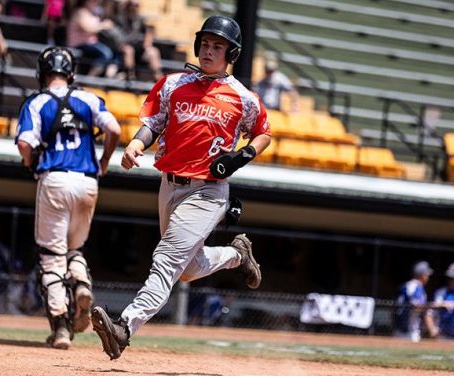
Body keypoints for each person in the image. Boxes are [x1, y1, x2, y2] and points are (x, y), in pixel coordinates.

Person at [91, 15, 271, 360]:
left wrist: (241, 156)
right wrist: (136, 143)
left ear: (230, 52)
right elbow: (153, 124)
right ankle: (237, 255)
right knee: (188, 270)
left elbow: (263, 131)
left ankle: (124, 327)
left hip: (208, 190)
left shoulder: (242, 97)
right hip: (169, 185)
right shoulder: (173, 84)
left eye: (217, 46)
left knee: (167, 259)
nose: (208, 50)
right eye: (204, 43)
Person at [15, 46, 121, 349]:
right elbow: (113, 129)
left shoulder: (37, 102)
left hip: (55, 179)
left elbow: (25, 143)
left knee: (51, 257)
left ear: (42, 73)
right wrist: (105, 160)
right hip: (88, 181)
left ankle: (61, 328)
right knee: (74, 249)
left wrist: (30, 163)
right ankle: (83, 286)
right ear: (70, 72)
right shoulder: (88, 98)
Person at [66, 0, 117, 77]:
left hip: (92, 44)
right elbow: (87, 29)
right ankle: (91, 77)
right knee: (106, 53)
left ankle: (109, 78)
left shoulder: (93, 14)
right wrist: (103, 25)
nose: (96, 3)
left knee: (115, 53)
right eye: (93, 1)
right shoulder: (80, 12)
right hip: (79, 44)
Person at [114, 0, 162, 81]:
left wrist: (147, 43)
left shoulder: (139, 19)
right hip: (123, 49)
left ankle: (159, 79)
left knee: (153, 52)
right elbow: (119, 38)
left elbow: (149, 31)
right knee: (129, 50)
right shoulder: (119, 19)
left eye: (136, 6)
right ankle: (131, 77)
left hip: (139, 49)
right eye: (132, 5)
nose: (134, 8)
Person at [392, 261, 433, 342]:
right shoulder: (417, 287)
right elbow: (417, 307)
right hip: (410, 332)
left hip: (398, 329)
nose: (428, 277)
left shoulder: (404, 286)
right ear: (422, 275)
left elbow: (392, 309)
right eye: (427, 274)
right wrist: (433, 306)